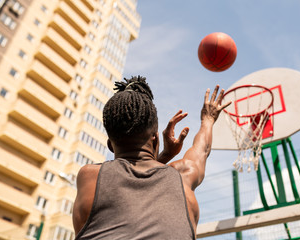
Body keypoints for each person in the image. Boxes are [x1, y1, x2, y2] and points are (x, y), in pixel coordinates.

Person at [72, 76, 230, 239]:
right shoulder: (183, 176)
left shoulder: (90, 177)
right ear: (155, 138)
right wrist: (208, 119)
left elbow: (133, 182)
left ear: (110, 146)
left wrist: (165, 155)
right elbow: (202, 150)